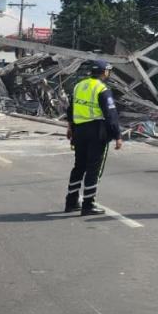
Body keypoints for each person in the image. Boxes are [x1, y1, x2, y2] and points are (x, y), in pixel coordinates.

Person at [65, 60, 123, 216]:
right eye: (108, 71)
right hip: (96, 132)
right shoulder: (102, 89)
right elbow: (111, 115)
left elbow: (71, 109)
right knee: (93, 169)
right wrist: (118, 135)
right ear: (104, 72)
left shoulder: (79, 86)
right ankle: (88, 205)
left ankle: (71, 202)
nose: (108, 74)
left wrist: (70, 127)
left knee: (79, 166)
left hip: (79, 131)